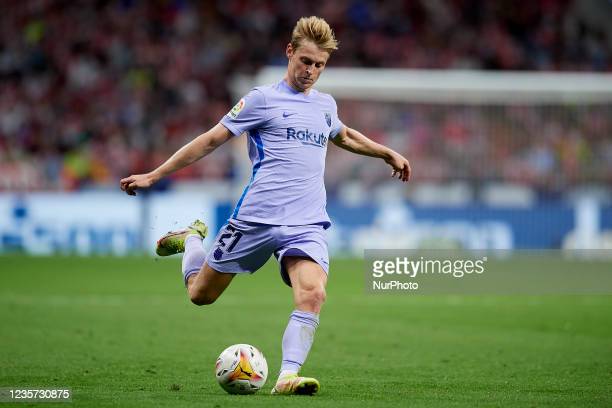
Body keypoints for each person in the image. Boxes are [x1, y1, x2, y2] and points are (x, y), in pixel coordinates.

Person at [120, 16, 410, 395]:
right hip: (257, 218)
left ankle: (287, 376)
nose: (311, 71)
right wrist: (155, 175)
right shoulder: (261, 100)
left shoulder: (325, 105)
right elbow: (211, 139)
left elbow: (344, 135)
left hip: (306, 222)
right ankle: (191, 238)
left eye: (319, 65)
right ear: (289, 52)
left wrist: (386, 152)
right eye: (305, 61)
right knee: (200, 295)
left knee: (313, 293)